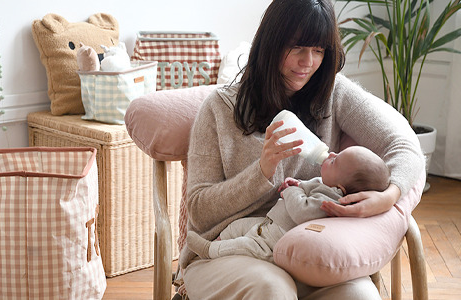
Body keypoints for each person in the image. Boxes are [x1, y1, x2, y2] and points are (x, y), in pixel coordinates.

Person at [180, 0, 425, 298]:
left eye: (319, 50)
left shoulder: (334, 95)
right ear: (271, 43)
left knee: (360, 295)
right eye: (297, 47)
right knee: (272, 289)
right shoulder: (219, 109)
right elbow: (199, 209)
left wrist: (389, 195)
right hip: (228, 249)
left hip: (308, 249)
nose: (308, 61)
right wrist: (261, 172)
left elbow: (404, 145)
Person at [186, 146, 390, 261]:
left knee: (246, 245)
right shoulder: (325, 184)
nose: (331, 154)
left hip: (276, 239)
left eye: (335, 161)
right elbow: (310, 187)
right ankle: (216, 242)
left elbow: (303, 211)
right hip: (268, 224)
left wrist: (292, 190)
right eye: (337, 153)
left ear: (340, 188)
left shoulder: (331, 199)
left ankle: (211, 251)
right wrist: (299, 184)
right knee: (238, 226)